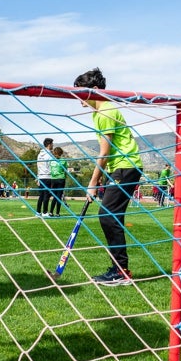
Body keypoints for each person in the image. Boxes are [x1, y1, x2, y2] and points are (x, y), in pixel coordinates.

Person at [75, 67, 143, 286]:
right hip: (121, 167)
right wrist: (105, 174)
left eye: (81, 94)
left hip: (126, 166)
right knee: (111, 216)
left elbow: (104, 151)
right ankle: (119, 269)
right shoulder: (101, 112)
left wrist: (92, 183)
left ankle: (120, 271)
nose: (79, 100)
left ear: (95, 90)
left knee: (107, 216)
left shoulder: (105, 111)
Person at [35, 138, 54, 214]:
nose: (53, 145)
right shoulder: (49, 155)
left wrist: (37, 177)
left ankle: (38, 212)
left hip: (41, 177)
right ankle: (45, 212)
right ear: (49, 145)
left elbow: (38, 166)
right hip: (47, 177)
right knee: (46, 195)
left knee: (41, 195)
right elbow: (52, 166)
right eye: (52, 144)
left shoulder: (39, 155)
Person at [48, 146, 68, 216]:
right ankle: (57, 213)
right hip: (61, 179)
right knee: (59, 196)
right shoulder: (63, 161)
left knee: (55, 196)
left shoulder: (51, 161)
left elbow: (50, 169)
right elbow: (65, 170)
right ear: (61, 153)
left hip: (53, 180)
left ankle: (51, 212)